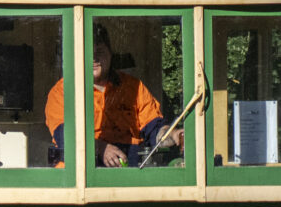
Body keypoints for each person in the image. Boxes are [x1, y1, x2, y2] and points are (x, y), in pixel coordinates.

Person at [44, 26, 182, 167]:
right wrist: (100, 148)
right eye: (89, 52)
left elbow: (155, 128)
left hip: (127, 175)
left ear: (110, 54)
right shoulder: (62, 91)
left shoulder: (134, 87)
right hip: (79, 177)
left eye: (100, 52)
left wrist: (172, 135)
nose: (94, 58)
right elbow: (66, 138)